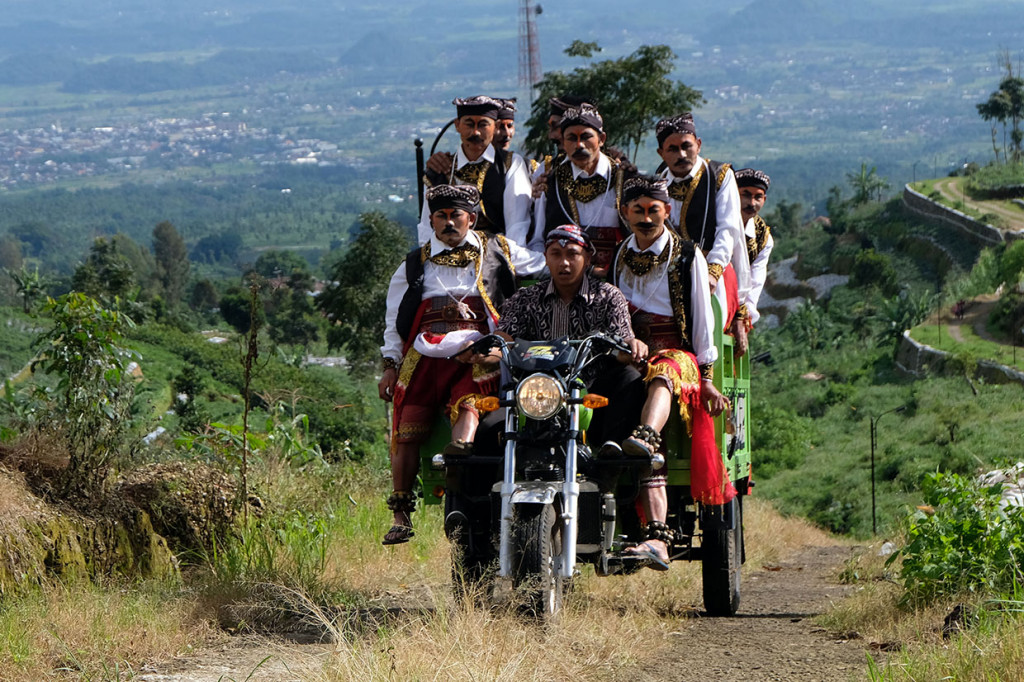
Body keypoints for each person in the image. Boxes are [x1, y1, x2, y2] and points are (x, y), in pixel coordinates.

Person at [379, 184, 546, 546]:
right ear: (432, 221)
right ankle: (401, 514)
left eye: (456, 215)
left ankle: (459, 478)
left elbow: (543, 261)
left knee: (471, 402)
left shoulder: (498, 249)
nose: (449, 222)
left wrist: (578, 261)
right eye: (441, 216)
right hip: (424, 352)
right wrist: (390, 364)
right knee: (407, 425)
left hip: (477, 351)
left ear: (471, 218)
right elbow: (393, 320)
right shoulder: (413, 263)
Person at [610, 176, 736, 568]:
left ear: (667, 211)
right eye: (638, 210)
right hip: (631, 352)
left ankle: (646, 435)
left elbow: (702, 319)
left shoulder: (687, 255)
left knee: (663, 374)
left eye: (654, 210)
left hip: (677, 353)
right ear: (625, 212)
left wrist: (708, 378)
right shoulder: (619, 254)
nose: (646, 218)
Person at [495, 224, 647, 449]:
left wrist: (632, 347)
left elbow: (623, 341)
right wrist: (486, 349)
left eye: (572, 254)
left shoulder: (608, 296)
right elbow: (503, 338)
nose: (564, 263)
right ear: (546, 258)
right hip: (537, 392)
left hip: (592, 393)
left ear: (587, 259)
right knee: (488, 432)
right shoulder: (525, 298)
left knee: (629, 377)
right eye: (556, 254)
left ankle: (611, 456)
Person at [655, 113, 750, 341]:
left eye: (686, 146)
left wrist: (712, 273)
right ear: (661, 153)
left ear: (698, 145)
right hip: (668, 275)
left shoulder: (719, 176)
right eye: (672, 149)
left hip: (714, 272)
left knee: (708, 325)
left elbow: (728, 230)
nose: (681, 154)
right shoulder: (658, 183)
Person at [528, 104, 634, 271]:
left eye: (586, 137)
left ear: (601, 139)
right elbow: (538, 241)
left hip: (614, 274)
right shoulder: (550, 178)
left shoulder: (624, 178)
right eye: (572, 138)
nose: (579, 145)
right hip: (565, 275)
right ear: (563, 142)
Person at [418, 96, 533, 246]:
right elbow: (427, 227)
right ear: (457, 125)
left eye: (483, 125)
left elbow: (517, 225)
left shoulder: (510, 165)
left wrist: (506, 256)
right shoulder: (440, 169)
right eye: (469, 124)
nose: (476, 132)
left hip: (496, 253)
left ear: (495, 127)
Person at [733, 168, 776, 347]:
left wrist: (744, 319)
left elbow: (754, 284)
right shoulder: (714, 222)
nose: (751, 203)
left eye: (758, 197)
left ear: (764, 200)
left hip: (736, 309)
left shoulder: (762, 238)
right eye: (745, 195)